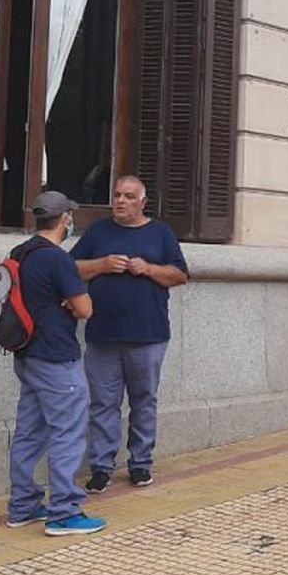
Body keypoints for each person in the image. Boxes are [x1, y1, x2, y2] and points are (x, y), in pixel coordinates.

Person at [72, 175, 189, 492]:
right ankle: (101, 466)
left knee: (144, 401)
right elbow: (71, 269)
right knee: (102, 404)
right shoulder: (98, 232)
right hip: (102, 336)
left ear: (142, 202)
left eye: (128, 196)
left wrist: (149, 269)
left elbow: (180, 275)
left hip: (148, 336)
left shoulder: (160, 233)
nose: (120, 201)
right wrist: (102, 265)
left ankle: (140, 464)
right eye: (117, 195)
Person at [4, 191, 106, 536]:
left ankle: (23, 505)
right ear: (65, 219)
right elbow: (85, 309)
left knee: (29, 431)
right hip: (57, 357)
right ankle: (63, 512)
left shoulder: (21, 252)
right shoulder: (57, 259)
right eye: (70, 217)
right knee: (68, 432)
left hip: (27, 354)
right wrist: (72, 300)